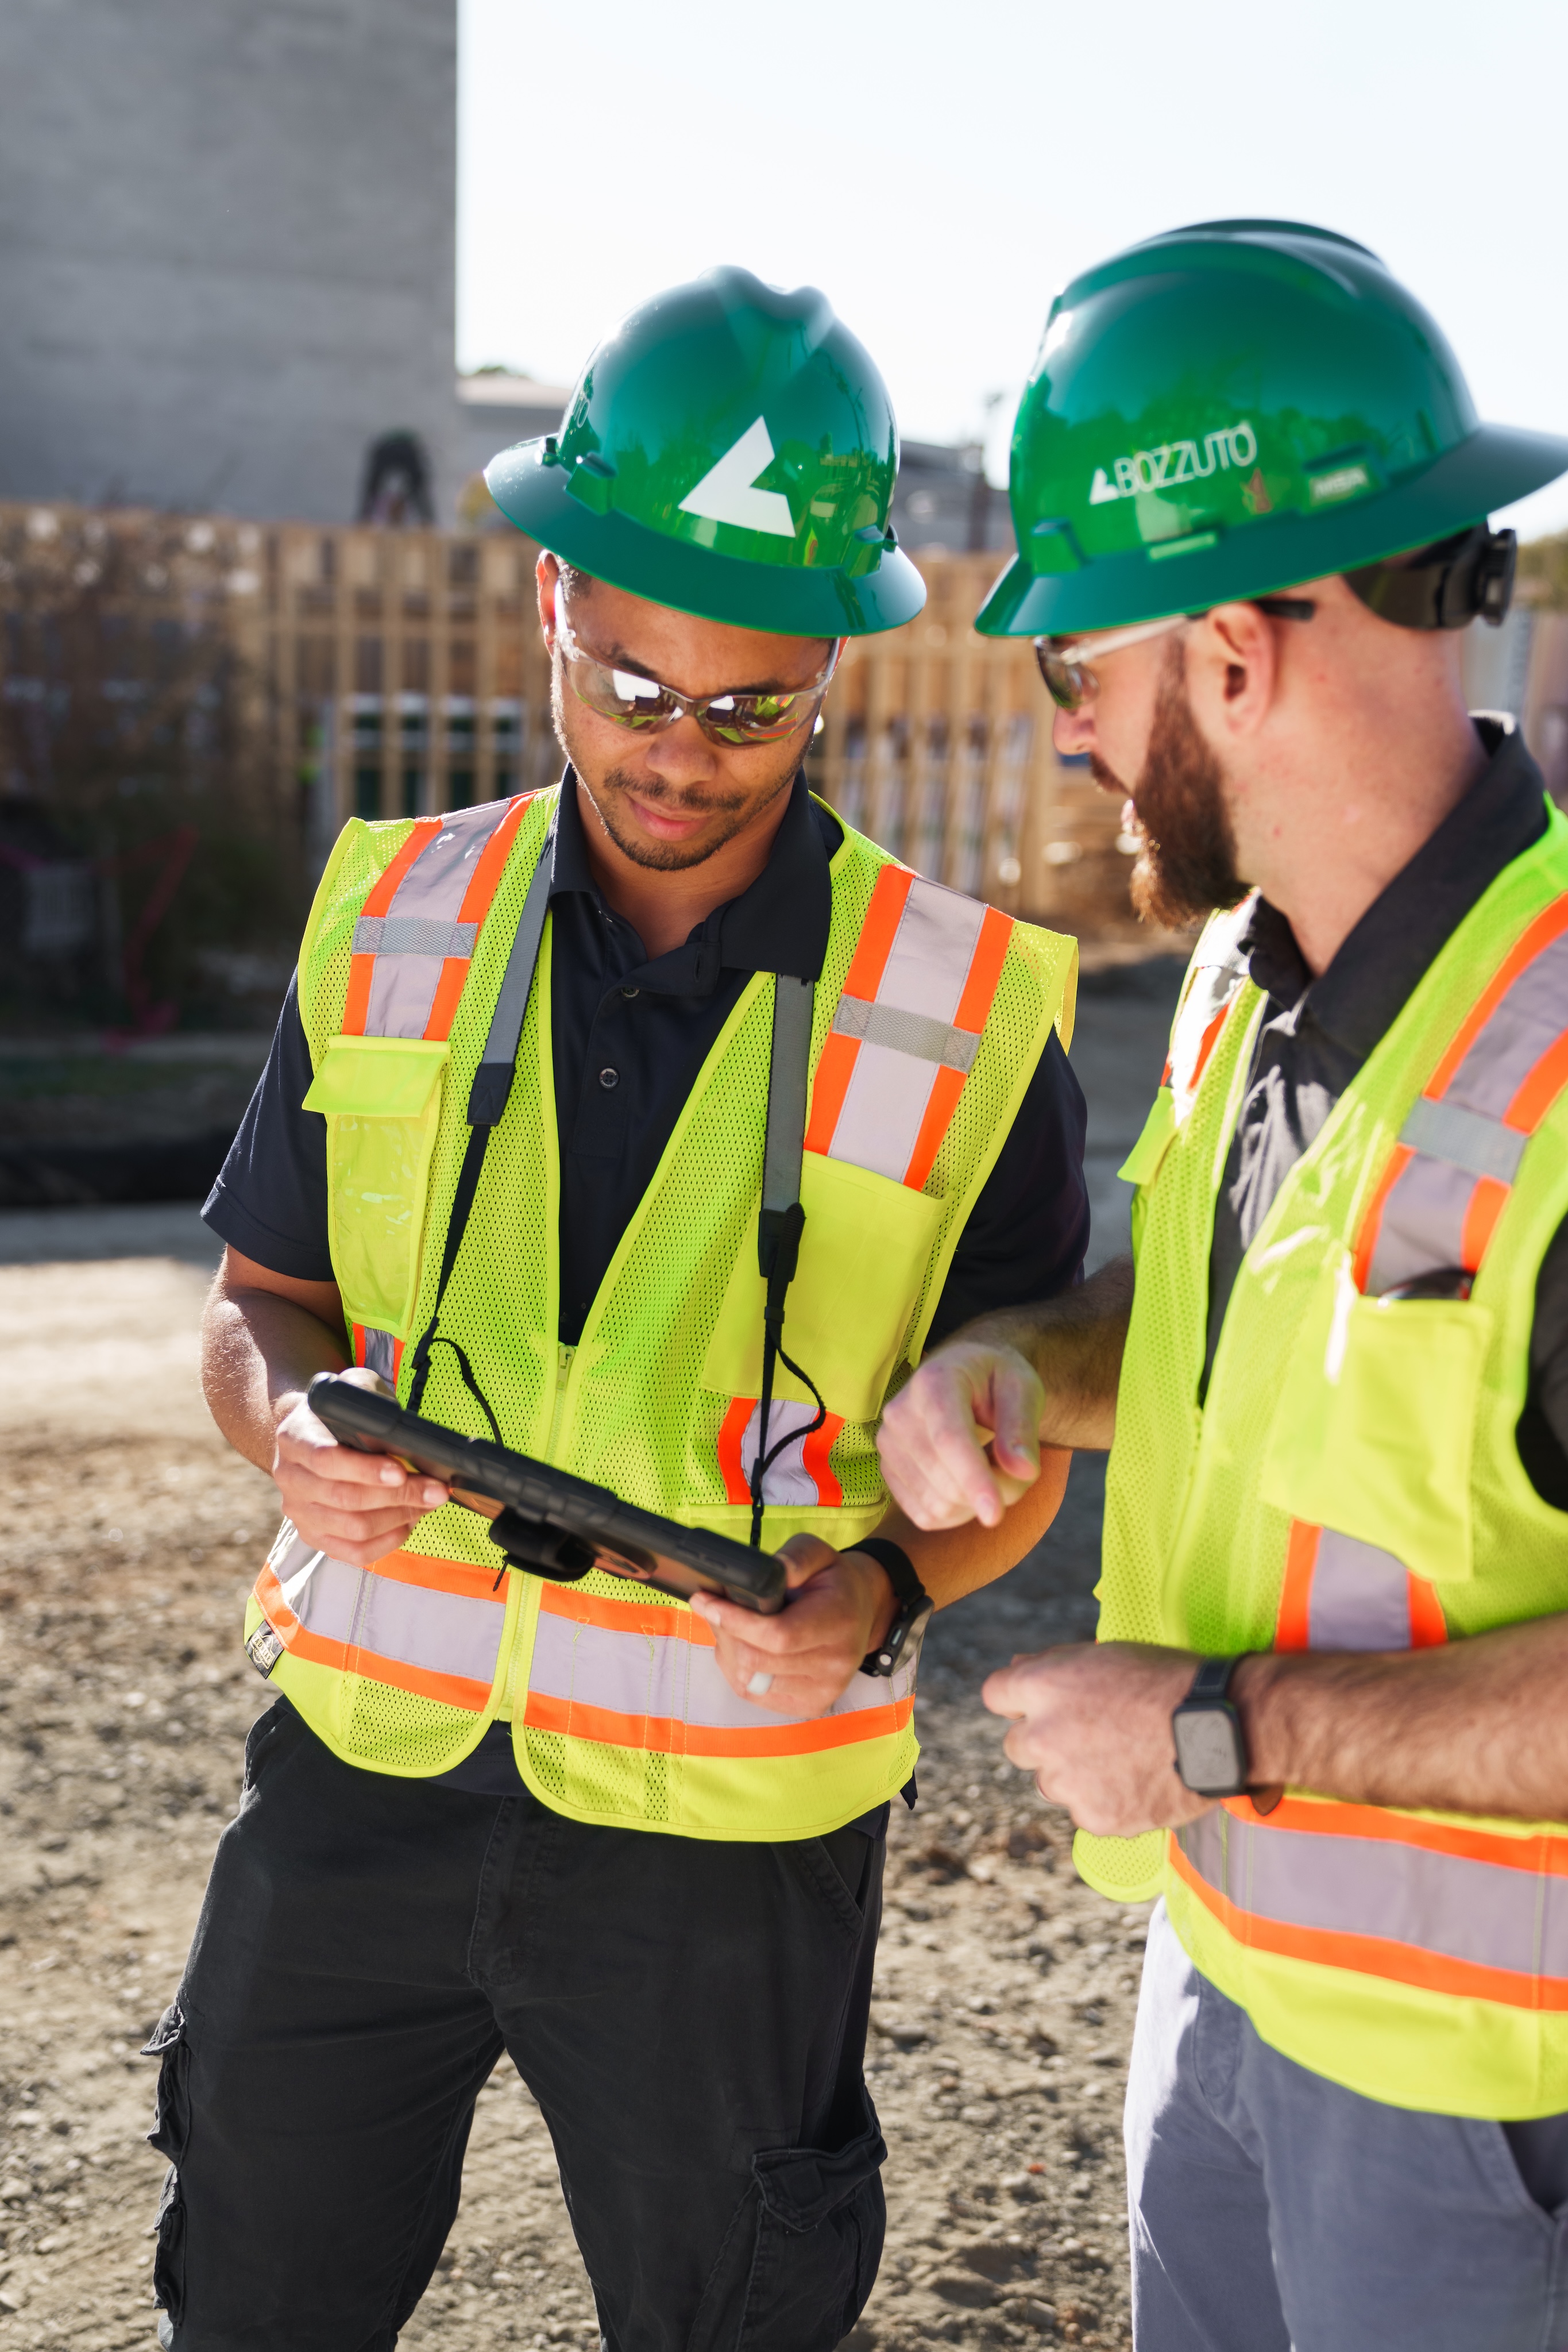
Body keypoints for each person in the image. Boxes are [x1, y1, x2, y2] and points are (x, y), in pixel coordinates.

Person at [150, 267, 1091, 2352]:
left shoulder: (965, 1013)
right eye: (633, 690)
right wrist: (290, 1426)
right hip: (359, 1777)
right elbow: (262, 1303)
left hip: (723, 1836)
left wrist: (881, 1594)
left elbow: (1027, 1435)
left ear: (834, 659)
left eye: (749, 707)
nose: (683, 755)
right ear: (553, 611)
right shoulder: (391, 912)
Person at [876, 219, 1568, 2351]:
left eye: (1075, 664)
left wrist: (1205, 1730)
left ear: (1238, 656)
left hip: (1487, 2107)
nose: (1070, 735)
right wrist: (1019, 1358)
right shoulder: (1237, 983)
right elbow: (1215, 1318)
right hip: (1226, 1975)